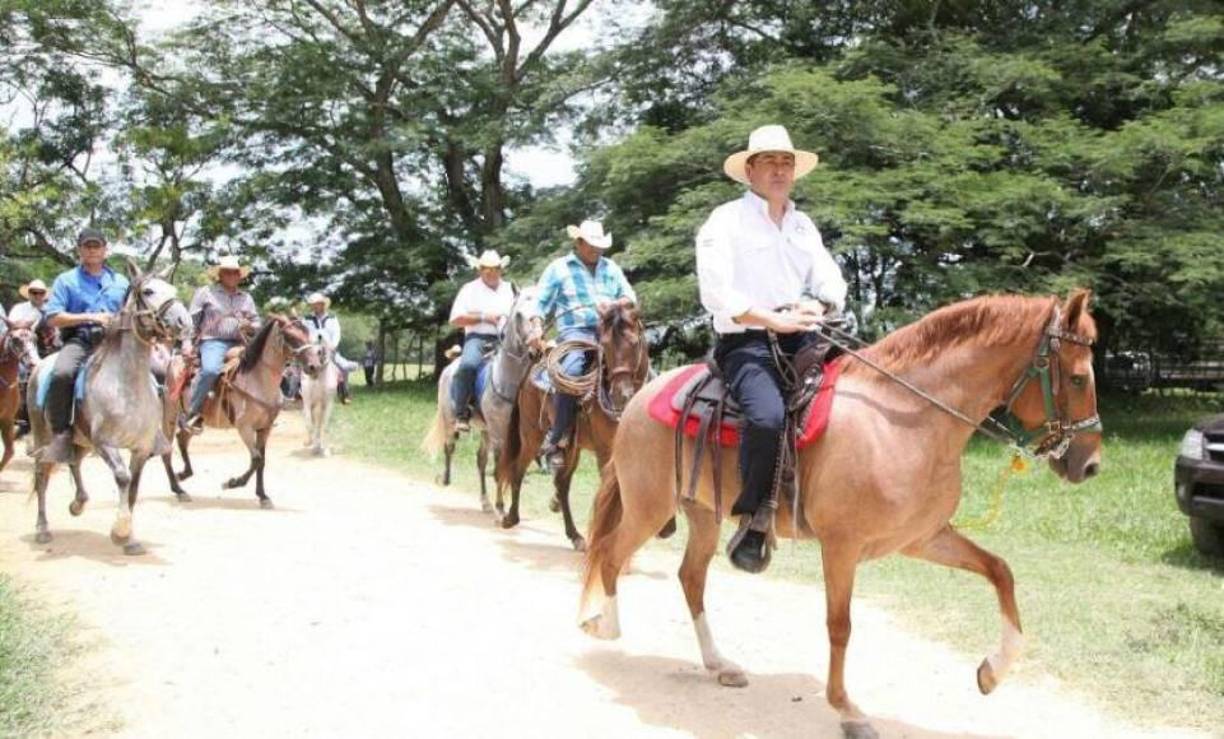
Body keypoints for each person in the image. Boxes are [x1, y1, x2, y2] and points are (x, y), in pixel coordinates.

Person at [695, 124, 848, 574]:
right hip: (747, 342)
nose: (780, 170)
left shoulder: (802, 224)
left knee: (859, 396)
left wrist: (819, 304)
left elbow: (831, 279)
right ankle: (754, 516)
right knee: (767, 417)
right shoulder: (725, 221)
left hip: (803, 336)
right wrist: (771, 318)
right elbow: (716, 293)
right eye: (769, 162)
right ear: (750, 171)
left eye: (786, 162)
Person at [531, 220, 636, 470]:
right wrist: (536, 326)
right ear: (578, 243)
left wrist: (614, 305)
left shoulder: (611, 267)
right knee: (570, 372)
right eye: (591, 244)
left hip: (611, 330)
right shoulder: (558, 268)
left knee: (640, 364)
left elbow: (629, 296)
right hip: (576, 332)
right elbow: (540, 303)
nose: (596, 250)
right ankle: (558, 437)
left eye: (599, 245)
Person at [38, 228, 131, 463]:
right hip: (80, 340)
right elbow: (53, 317)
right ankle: (61, 434)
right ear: (79, 250)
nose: (92, 250)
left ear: (105, 250)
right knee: (62, 373)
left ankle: (155, 429)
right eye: (87, 246)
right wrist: (90, 317)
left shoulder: (121, 282)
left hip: (115, 343)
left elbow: (132, 313)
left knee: (157, 369)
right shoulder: (66, 280)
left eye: (96, 246)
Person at [181, 255, 260, 433]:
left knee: (262, 367)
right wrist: (186, 342)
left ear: (240, 276)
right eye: (227, 272)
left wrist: (250, 325)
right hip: (212, 341)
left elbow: (257, 323)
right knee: (210, 370)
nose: (232, 275)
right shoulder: (206, 293)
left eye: (235, 272)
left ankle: (262, 411)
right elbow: (190, 321)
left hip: (240, 342)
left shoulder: (246, 298)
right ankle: (193, 412)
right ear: (220, 275)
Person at [448, 249, 515, 432]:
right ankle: (461, 413)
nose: (491, 272)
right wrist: (484, 317)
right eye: (486, 268)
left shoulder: (510, 289)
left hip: (507, 339)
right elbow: (455, 319)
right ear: (479, 270)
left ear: (501, 269)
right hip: (478, 338)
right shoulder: (469, 289)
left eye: (495, 268)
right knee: (468, 366)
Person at [9, 280, 55, 438]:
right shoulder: (19, 309)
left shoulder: (51, 310)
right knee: (22, 375)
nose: (37, 295)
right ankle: (23, 416)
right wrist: (26, 324)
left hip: (48, 349)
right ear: (29, 294)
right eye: (34, 292)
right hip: (24, 349)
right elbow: (13, 328)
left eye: (41, 293)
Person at [304, 293, 355, 404]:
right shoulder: (307, 319)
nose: (314, 306)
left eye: (317, 304)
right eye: (313, 305)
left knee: (343, 366)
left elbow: (337, 333)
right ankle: (296, 393)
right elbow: (305, 333)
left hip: (329, 348)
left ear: (322, 304)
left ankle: (344, 393)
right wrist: (310, 344)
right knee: (299, 366)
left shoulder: (332, 318)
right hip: (312, 349)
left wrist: (333, 345)